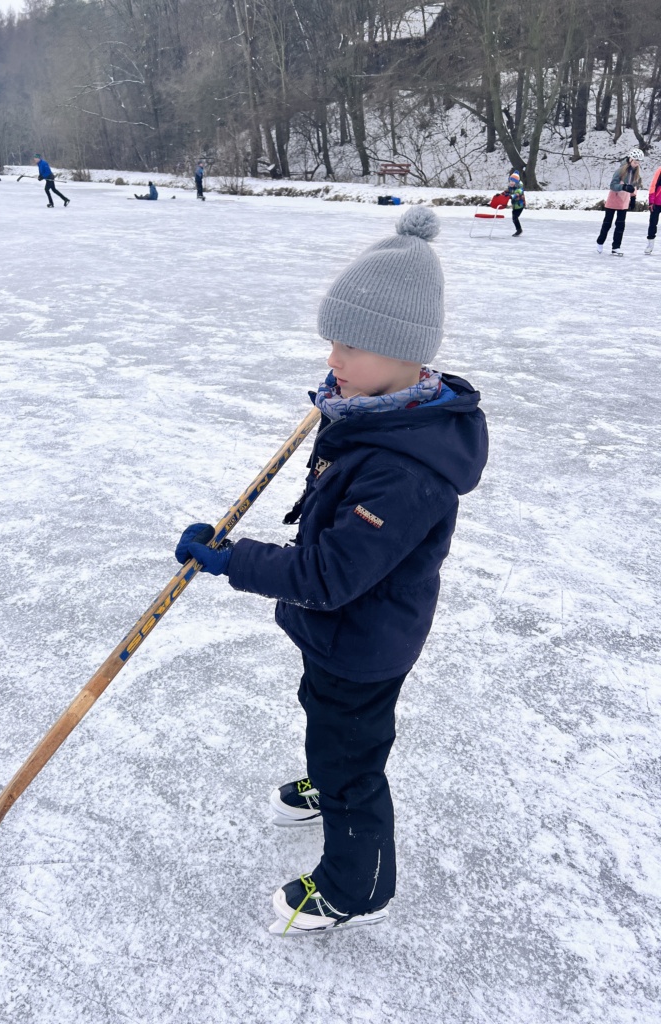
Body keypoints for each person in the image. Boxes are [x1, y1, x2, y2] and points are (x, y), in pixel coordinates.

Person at [174, 207, 488, 934]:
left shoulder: (405, 470)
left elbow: (329, 575)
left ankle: (355, 888)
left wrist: (232, 561)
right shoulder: (377, 412)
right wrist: (341, 411)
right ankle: (329, 770)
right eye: (332, 343)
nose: (334, 359)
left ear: (402, 353)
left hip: (364, 634)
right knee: (329, 715)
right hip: (346, 635)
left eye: (350, 346)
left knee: (353, 754)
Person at [596, 149, 643, 256]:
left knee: (620, 225)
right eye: (635, 162)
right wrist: (623, 187)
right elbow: (612, 185)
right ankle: (600, 242)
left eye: (638, 163)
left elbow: (634, 186)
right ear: (630, 159)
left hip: (624, 202)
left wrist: (633, 198)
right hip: (613, 200)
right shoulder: (620, 170)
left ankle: (616, 247)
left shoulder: (636, 172)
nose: (637, 164)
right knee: (607, 224)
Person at [644, 163, 661, 255]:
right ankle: (650, 245)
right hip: (657, 202)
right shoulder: (659, 170)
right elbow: (653, 185)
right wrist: (651, 201)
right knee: (653, 223)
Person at [503, 170, 526, 236]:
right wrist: (501, 194)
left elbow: (517, 194)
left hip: (520, 205)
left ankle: (519, 230)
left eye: (513, 181)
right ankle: (519, 229)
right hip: (515, 205)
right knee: (514, 218)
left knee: (515, 217)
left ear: (516, 182)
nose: (511, 183)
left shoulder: (519, 188)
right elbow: (506, 192)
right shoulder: (510, 187)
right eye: (510, 181)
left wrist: (511, 196)